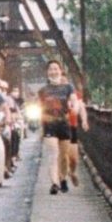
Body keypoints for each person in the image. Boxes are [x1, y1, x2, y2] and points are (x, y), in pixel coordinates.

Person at [39, 59, 77, 194]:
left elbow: (73, 99)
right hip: (49, 124)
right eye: (51, 69)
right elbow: (40, 107)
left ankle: (63, 178)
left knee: (64, 155)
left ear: (60, 71)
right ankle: (54, 183)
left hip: (64, 123)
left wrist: (74, 106)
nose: (53, 71)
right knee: (53, 153)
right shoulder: (43, 90)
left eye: (56, 69)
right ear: (47, 72)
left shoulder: (68, 87)